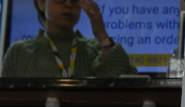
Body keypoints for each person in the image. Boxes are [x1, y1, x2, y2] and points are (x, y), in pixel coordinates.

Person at [2, 0, 136, 78]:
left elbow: (127, 83)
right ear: (41, 3)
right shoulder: (19, 52)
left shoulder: (95, 50)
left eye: (74, 0)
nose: (68, 4)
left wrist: (101, 35)